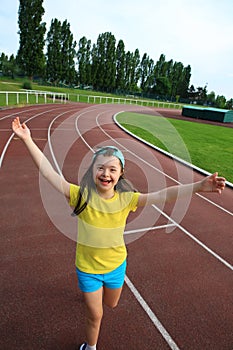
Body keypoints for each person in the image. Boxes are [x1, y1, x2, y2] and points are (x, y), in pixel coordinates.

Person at [12, 117, 226, 350]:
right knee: (96, 315)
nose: (105, 173)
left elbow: (164, 194)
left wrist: (198, 186)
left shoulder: (127, 199)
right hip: (88, 269)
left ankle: (94, 298)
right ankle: (90, 347)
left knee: (111, 304)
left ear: (120, 174)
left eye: (112, 169)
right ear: (92, 171)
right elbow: (49, 174)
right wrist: (27, 139)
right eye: (100, 168)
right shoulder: (80, 195)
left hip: (116, 267)